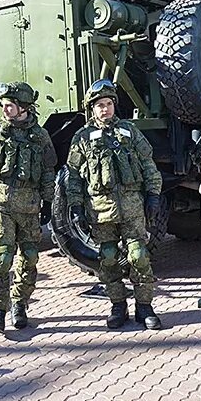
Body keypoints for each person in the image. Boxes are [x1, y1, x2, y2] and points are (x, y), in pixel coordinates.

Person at [65, 79, 164, 330]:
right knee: (107, 259)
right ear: (92, 109)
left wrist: (153, 195)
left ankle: (145, 307)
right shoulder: (82, 138)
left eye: (108, 104)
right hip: (100, 210)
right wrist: (75, 207)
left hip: (131, 207)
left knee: (139, 257)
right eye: (99, 105)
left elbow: (149, 164)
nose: (105, 109)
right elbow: (74, 176)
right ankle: (118, 306)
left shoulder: (129, 132)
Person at [0, 81, 57, 332]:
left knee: (29, 258)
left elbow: (47, 172)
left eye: (10, 105)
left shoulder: (39, 136)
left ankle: (20, 304)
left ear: (24, 107)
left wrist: (48, 201)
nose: (5, 110)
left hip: (28, 205)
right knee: (3, 256)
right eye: (3, 105)